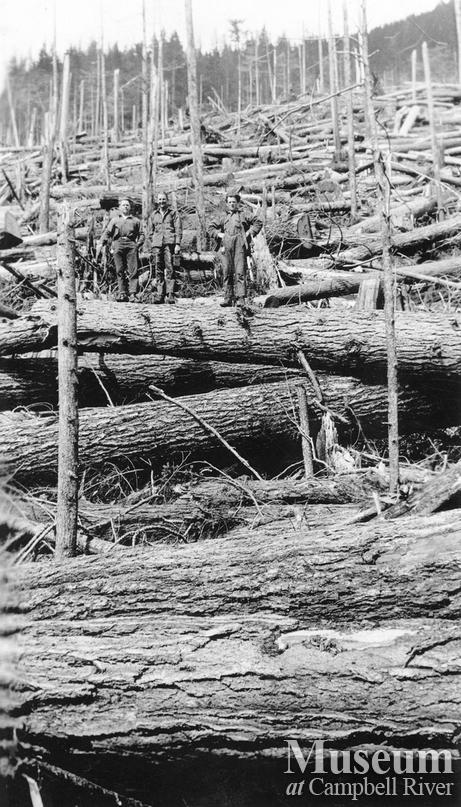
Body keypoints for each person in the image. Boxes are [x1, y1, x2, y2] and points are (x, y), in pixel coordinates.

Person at [209, 193, 262, 307]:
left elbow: (258, 222)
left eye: (234, 202)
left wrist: (249, 233)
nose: (232, 204)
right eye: (230, 202)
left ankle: (241, 298)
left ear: (238, 203)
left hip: (240, 245)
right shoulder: (223, 216)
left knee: (240, 272)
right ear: (227, 203)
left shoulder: (243, 214)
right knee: (227, 271)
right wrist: (219, 234)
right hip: (225, 246)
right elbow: (210, 228)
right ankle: (228, 297)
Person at [96, 197, 143, 302]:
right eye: (123, 205)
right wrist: (101, 243)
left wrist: (137, 245)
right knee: (119, 269)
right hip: (118, 244)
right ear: (119, 208)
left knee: (133, 270)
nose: (125, 207)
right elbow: (108, 233)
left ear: (130, 207)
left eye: (127, 205)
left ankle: (132, 294)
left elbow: (142, 234)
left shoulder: (135, 220)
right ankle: (122, 293)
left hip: (131, 244)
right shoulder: (115, 220)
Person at [149, 192, 182, 304]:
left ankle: (170, 294)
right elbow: (150, 231)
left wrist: (177, 244)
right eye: (160, 199)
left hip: (169, 243)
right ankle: (160, 294)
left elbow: (178, 229)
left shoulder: (173, 213)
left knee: (170, 268)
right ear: (157, 201)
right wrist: (153, 242)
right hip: (157, 245)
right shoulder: (154, 214)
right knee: (158, 268)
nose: (162, 201)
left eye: (164, 199)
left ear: (167, 201)